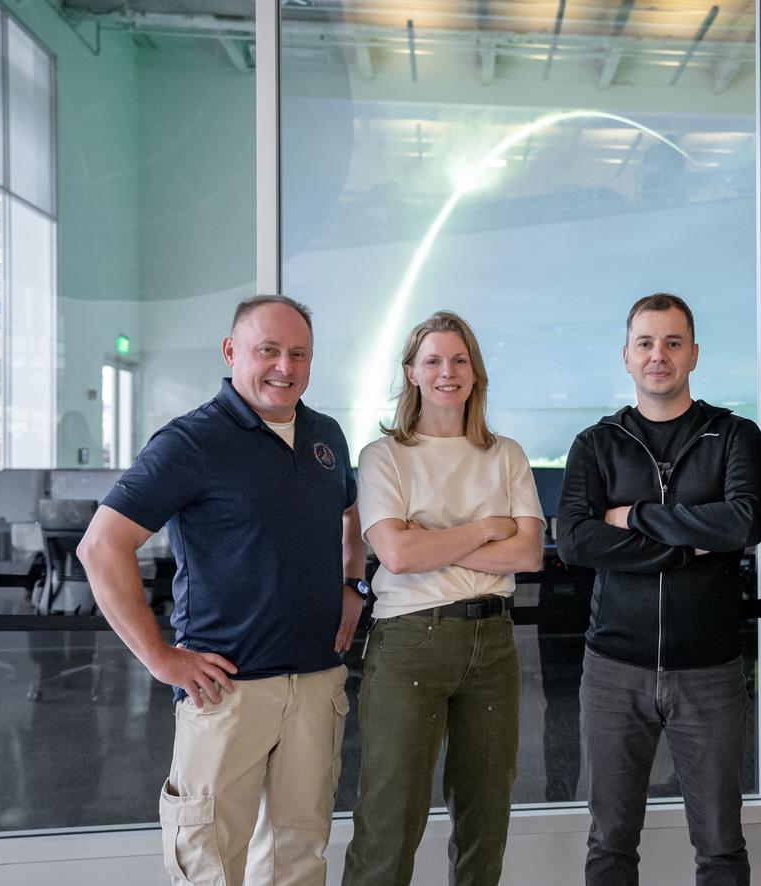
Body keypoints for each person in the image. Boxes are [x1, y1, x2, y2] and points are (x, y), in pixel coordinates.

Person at [77, 295, 366, 885]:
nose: (284, 366)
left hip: (316, 684)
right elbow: (101, 547)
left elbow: (349, 514)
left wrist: (351, 583)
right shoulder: (192, 441)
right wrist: (160, 658)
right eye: (268, 350)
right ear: (231, 351)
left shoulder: (325, 435)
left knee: (298, 857)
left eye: (299, 354)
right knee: (208, 864)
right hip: (226, 691)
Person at [557, 293, 761, 886]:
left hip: (710, 670)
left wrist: (634, 517)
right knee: (609, 843)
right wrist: (686, 544)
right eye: (646, 344)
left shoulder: (733, 435)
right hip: (613, 668)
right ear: (626, 355)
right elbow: (575, 540)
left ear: (693, 354)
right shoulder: (596, 443)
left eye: (673, 343)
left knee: (721, 845)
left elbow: (744, 522)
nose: (659, 356)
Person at [343, 310, 544, 886]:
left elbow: (529, 553)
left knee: (485, 818)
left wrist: (431, 540)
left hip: (493, 642)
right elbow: (398, 555)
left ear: (476, 372)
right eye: (432, 361)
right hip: (410, 640)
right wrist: (484, 530)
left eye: (459, 360)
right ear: (411, 372)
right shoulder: (383, 456)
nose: (447, 372)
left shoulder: (506, 454)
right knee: (389, 820)